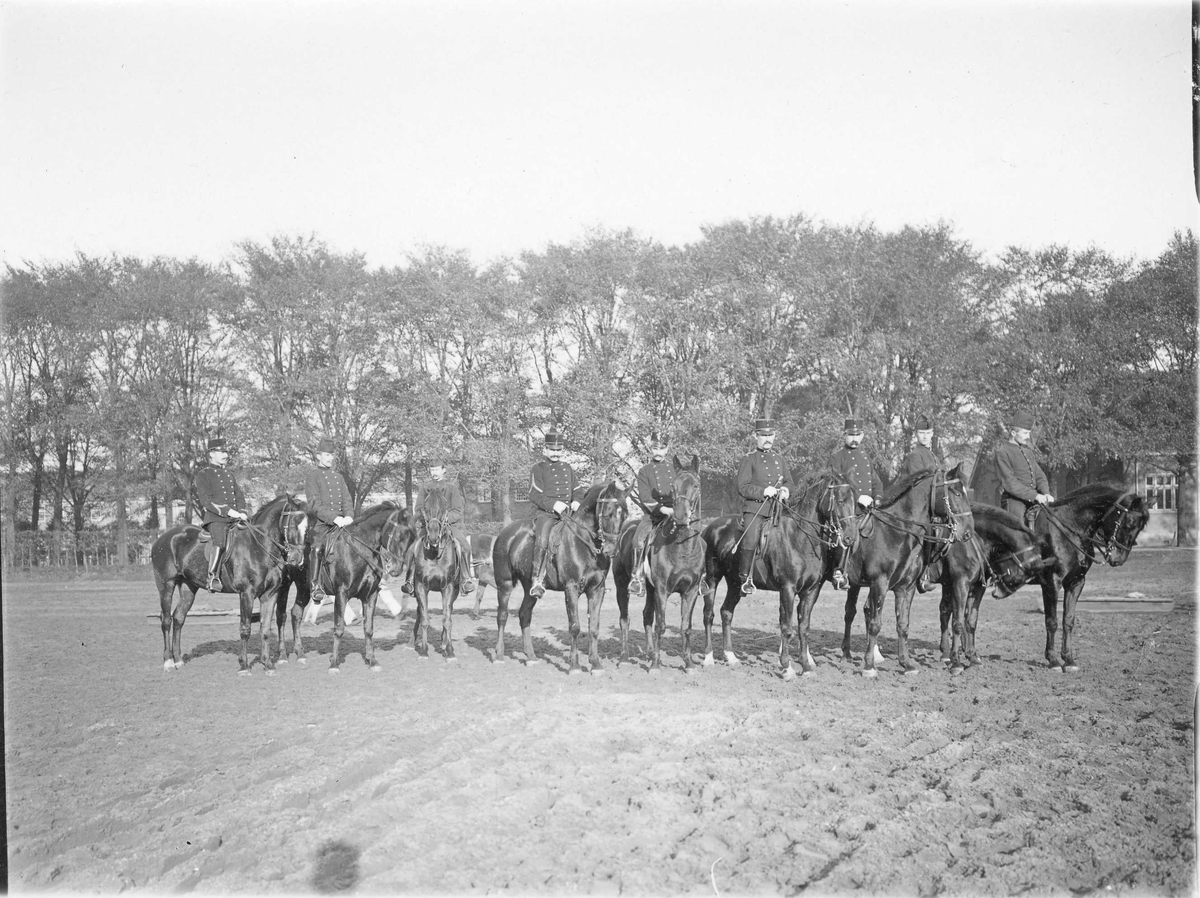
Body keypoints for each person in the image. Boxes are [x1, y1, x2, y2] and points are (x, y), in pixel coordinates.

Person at [734, 418, 795, 597]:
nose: (767, 439)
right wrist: (763, 491)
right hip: (756, 509)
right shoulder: (749, 459)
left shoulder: (779, 459)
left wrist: (785, 490)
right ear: (756, 436)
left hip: (779, 510)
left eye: (770, 435)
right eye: (763, 435)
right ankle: (745, 578)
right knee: (751, 537)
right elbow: (742, 487)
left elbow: (790, 482)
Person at [400, 454, 476, 595]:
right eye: (432, 470)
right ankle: (409, 581)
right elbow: (419, 508)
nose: (434, 473)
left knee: (465, 546)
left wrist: (446, 519)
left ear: (443, 470)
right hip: (428, 526)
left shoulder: (452, 488)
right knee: (411, 549)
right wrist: (428, 520)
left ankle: (466, 580)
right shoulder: (424, 488)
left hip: (448, 526)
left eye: (437, 470)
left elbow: (457, 510)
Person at [528, 428, 584, 598]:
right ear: (545, 450)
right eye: (552, 449)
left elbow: (578, 490)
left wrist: (577, 501)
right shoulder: (538, 469)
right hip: (547, 514)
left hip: (568, 515)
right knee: (543, 540)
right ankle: (538, 580)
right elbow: (534, 494)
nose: (555, 453)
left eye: (558, 450)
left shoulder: (567, 468)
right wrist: (553, 505)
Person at [828, 418, 882, 590]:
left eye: (857, 435)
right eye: (851, 435)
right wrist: (859, 497)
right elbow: (838, 486)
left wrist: (878, 498)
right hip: (848, 510)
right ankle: (839, 571)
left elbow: (876, 482)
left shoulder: (865, 457)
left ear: (862, 436)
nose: (854, 439)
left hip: (869, 509)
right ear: (844, 435)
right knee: (848, 534)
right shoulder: (837, 457)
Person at [193, 437, 248, 591]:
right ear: (211, 454)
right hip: (216, 518)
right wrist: (229, 511)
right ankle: (213, 577)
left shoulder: (229, 475)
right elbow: (207, 501)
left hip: (235, 518)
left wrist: (242, 512)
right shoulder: (204, 475)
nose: (225, 455)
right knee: (220, 542)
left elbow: (239, 496)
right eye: (221, 452)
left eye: (226, 452)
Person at [899, 415, 946, 593]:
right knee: (928, 533)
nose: (925, 436)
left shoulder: (933, 456)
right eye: (921, 433)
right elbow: (921, 484)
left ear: (932, 434)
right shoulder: (915, 455)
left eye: (928, 433)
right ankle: (923, 575)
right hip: (915, 506)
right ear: (916, 435)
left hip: (930, 505)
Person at [304, 437, 354, 601]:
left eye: (331, 455)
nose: (330, 458)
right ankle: (315, 586)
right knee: (317, 548)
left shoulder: (338, 477)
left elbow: (347, 500)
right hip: (322, 524)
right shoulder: (313, 477)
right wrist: (334, 518)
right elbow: (315, 505)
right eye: (326, 455)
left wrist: (349, 516)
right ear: (318, 456)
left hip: (342, 523)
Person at [628, 431, 674, 597]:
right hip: (653, 516)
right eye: (655, 448)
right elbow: (645, 497)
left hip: (675, 514)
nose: (658, 452)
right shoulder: (644, 471)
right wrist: (662, 509)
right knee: (638, 540)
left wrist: (676, 509)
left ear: (667, 449)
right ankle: (637, 577)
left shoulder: (675, 469)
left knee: (696, 536)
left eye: (661, 448)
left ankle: (701, 576)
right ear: (650, 449)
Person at [994, 409, 1054, 525]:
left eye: (1029, 433)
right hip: (1014, 500)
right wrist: (1034, 495)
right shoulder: (1002, 453)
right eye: (1025, 433)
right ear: (1013, 433)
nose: (1028, 437)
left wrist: (1046, 493)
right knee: (1017, 529)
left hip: (1035, 498)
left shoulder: (1028, 452)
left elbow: (1040, 476)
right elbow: (1010, 483)